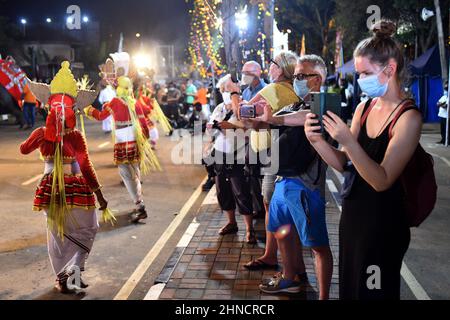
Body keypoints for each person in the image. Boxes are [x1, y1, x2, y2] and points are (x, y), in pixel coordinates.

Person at [304, 20, 421, 299]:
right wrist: (318, 141)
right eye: (358, 73)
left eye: (365, 73)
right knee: (351, 289)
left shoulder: (409, 118)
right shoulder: (364, 107)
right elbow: (346, 164)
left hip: (383, 224)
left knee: (374, 293)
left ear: (389, 69)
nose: (359, 80)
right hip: (354, 217)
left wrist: (346, 139)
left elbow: (382, 180)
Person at [20, 62, 108, 294]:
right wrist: (100, 195)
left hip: (51, 189)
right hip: (75, 188)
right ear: (74, 110)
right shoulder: (75, 136)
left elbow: (23, 149)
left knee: (58, 234)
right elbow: (86, 167)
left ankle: (66, 276)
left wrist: (36, 137)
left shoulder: (41, 134)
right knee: (88, 228)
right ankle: (74, 273)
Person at [250, 55, 333, 299]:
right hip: (283, 180)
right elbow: (271, 122)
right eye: (294, 75)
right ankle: (290, 278)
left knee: (318, 246)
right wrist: (261, 121)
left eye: (300, 76)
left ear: (316, 80)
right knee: (281, 231)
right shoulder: (295, 103)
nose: (295, 80)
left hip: (306, 186)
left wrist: (273, 119)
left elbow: (305, 118)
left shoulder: (324, 103)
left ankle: (324, 296)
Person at [229, 51, 299, 270]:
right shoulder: (292, 90)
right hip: (284, 151)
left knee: (272, 206)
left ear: (281, 69)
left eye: (273, 64)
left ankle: (277, 259)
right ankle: (282, 259)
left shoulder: (273, 89)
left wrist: (234, 94)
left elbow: (243, 113)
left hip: (270, 153)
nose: (270, 67)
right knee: (274, 205)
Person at [85, 74, 161, 223]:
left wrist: (88, 109)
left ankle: (140, 206)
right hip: (135, 139)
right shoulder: (134, 102)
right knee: (136, 174)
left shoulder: (114, 102)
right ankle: (139, 203)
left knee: (127, 176)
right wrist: (144, 140)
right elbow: (144, 124)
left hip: (122, 141)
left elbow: (100, 116)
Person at [206, 74, 256, 244]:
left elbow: (252, 130)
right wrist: (214, 127)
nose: (226, 92)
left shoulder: (245, 106)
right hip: (220, 152)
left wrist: (232, 126)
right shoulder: (219, 108)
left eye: (228, 88)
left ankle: (250, 229)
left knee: (241, 190)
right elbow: (209, 130)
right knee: (222, 190)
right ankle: (231, 222)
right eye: (223, 89)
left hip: (238, 153)